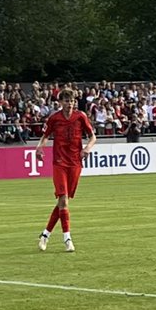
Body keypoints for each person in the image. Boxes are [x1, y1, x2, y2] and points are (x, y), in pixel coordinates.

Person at [35, 88, 96, 252]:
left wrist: (87, 148)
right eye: (67, 101)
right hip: (59, 162)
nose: (70, 104)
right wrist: (40, 147)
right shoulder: (54, 118)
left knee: (63, 202)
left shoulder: (80, 116)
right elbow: (45, 135)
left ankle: (45, 234)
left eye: (72, 101)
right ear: (60, 102)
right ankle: (67, 238)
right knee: (63, 200)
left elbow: (92, 136)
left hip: (75, 163)